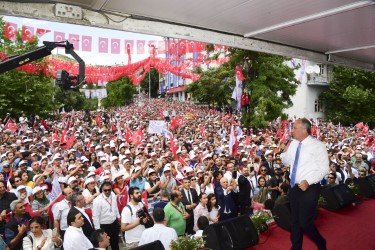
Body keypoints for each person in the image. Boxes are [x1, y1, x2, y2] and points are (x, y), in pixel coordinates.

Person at [280, 118, 329, 250]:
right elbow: (287, 162)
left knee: (305, 222)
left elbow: (325, 169)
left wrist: (309, 181)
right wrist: (283, 152)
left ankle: (320, 243)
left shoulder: (318, 146)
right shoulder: (294, 143)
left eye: (295, 128)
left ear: (304, 130)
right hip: (294, 187)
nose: (292, 131)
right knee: (294, 221)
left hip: (310, 188)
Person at [92, 181, 120, 250]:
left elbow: (115, 207)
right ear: (102, 190)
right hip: (104, 226)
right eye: (105, 190)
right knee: (104, 247)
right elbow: (95, 217)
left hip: (113, 224)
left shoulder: (113, 195)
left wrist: (118, 217)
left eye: (109, 190)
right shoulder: (97, 201)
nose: (107, 191)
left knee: (115, 244)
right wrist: (99, 231)